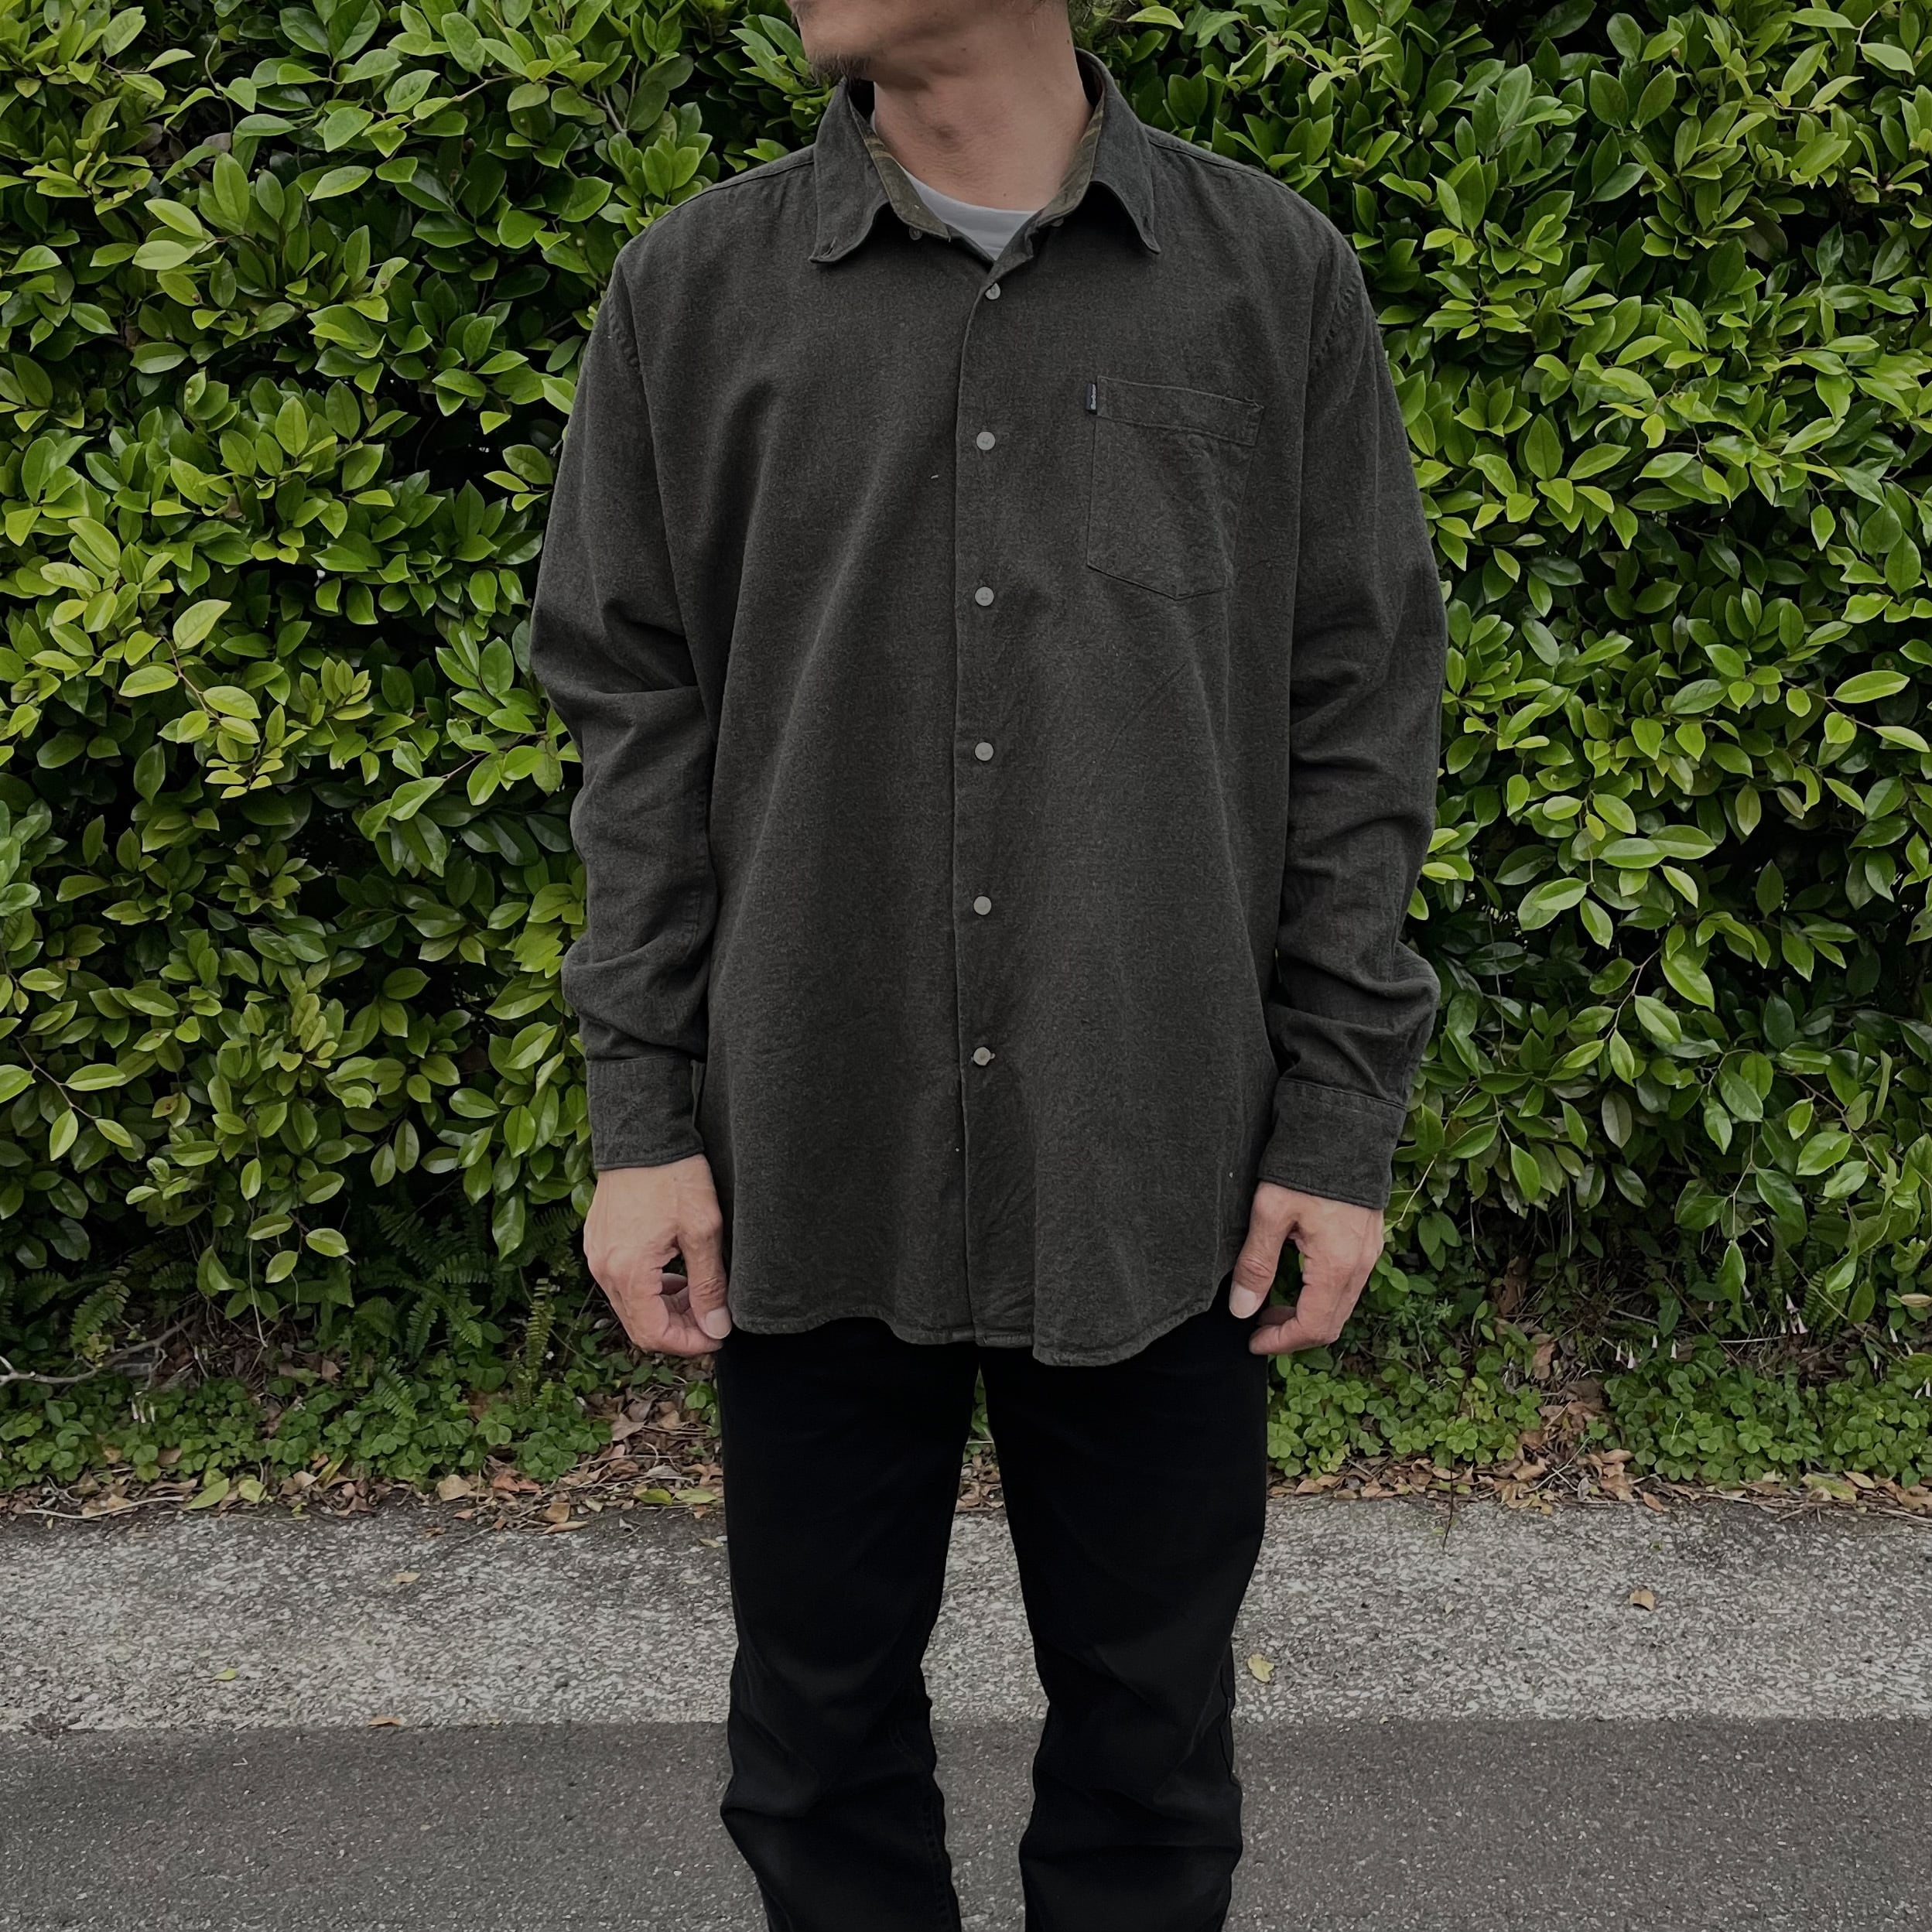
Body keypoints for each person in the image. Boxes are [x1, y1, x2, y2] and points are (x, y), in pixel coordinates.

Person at [528, 1, 1446, 1924]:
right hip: (812, 1139)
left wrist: (1337, 1119)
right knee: (812, 1748)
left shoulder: (1267, 278)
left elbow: (1358, 707)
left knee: (1150, 1756)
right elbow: (633, 716)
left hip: (1154, 1155)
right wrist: (641, 1116)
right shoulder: (691, 292)